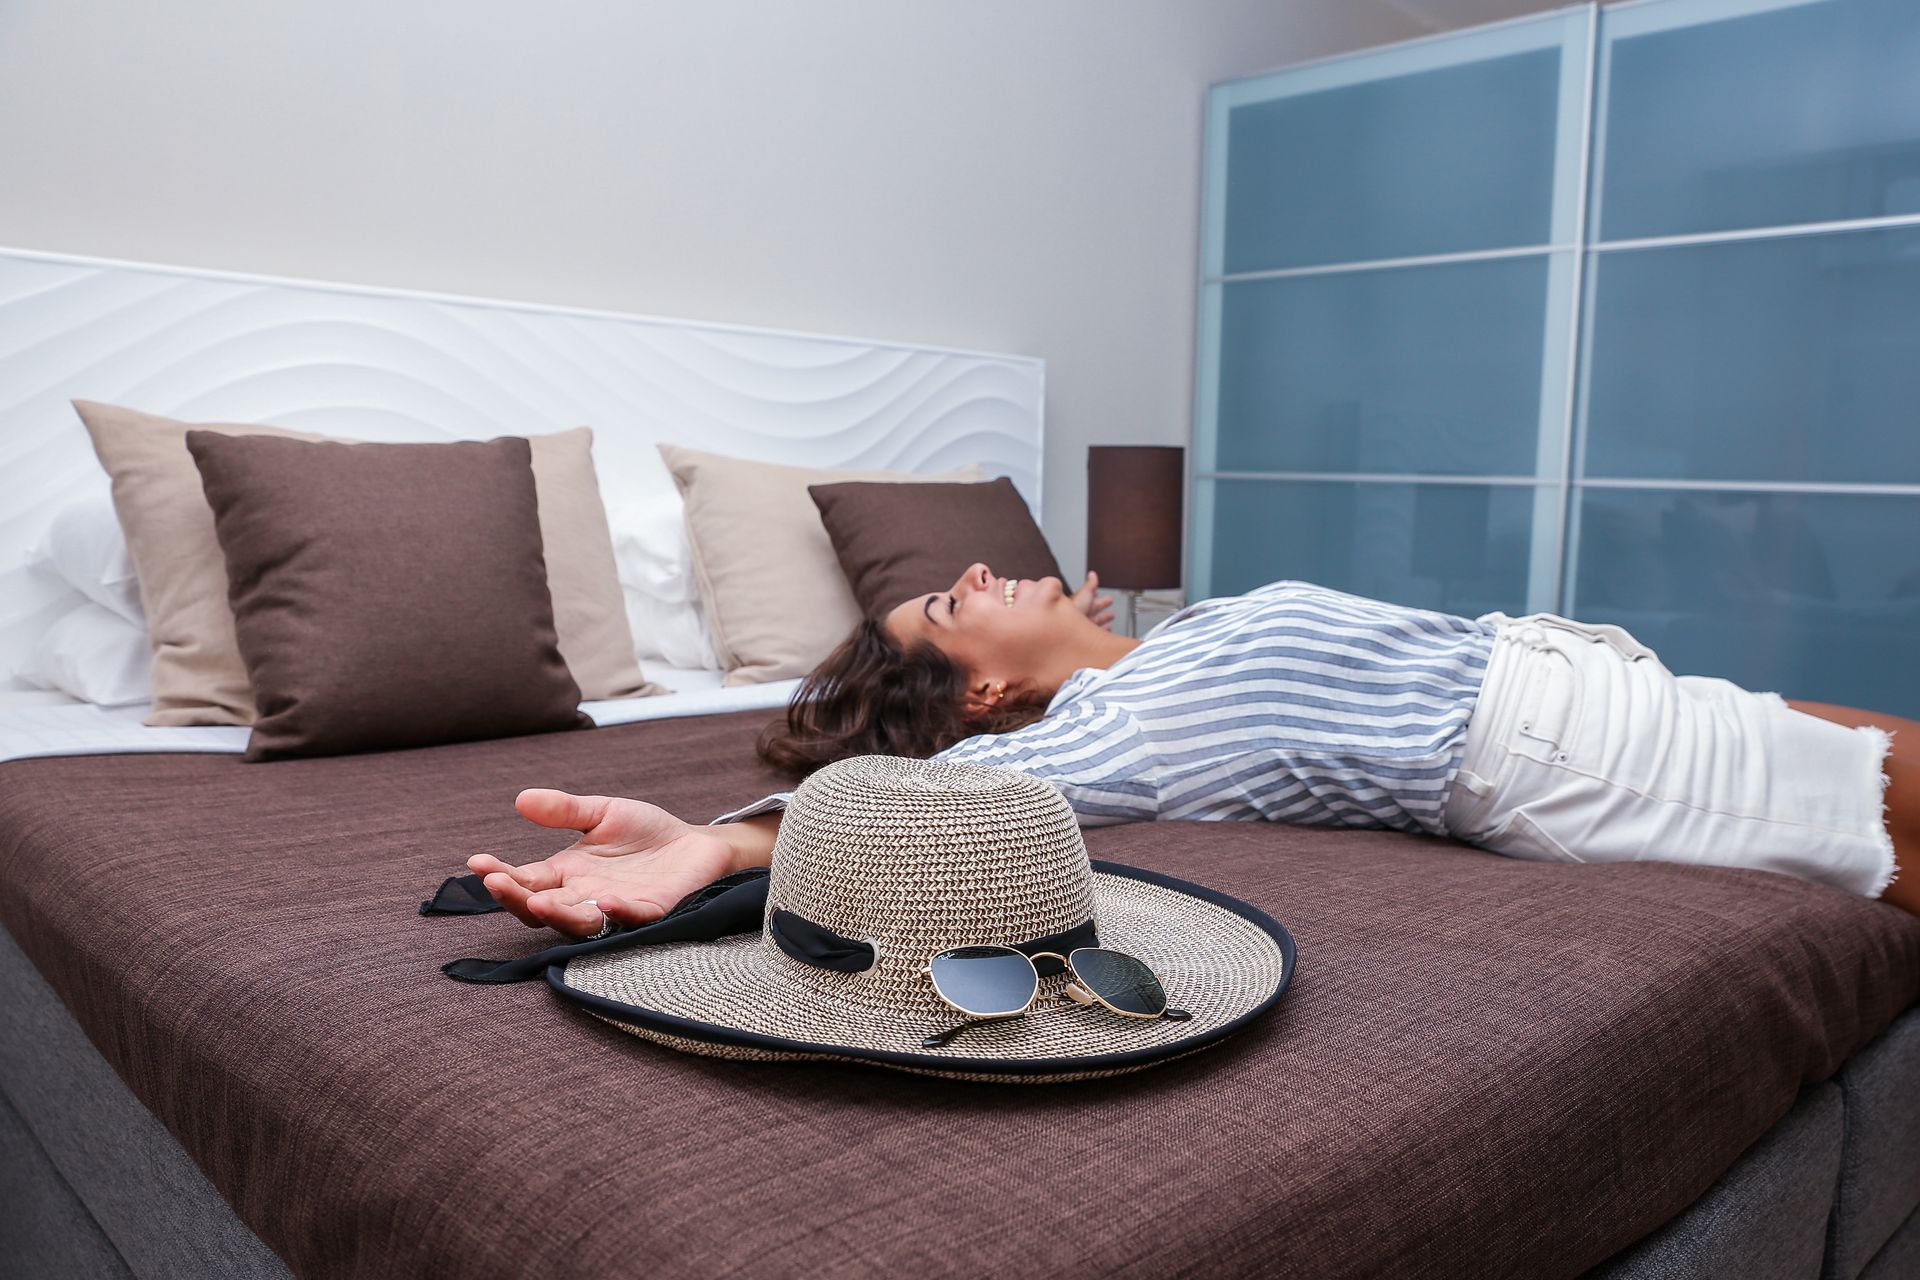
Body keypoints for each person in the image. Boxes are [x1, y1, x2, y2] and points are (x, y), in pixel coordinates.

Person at [470, 566, 1920, 934]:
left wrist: (1104, 633)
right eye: (951, 605)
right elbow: (923, 806)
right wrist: (717, 842)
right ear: (976, 696)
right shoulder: (1116, 730)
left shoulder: (1155, 662)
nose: (984, 573)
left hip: (1602, 685)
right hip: (1572, 749)